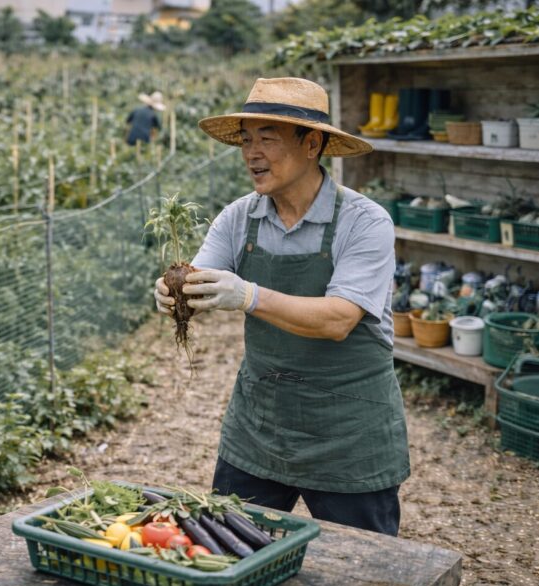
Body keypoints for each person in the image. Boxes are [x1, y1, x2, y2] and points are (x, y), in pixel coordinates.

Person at [154, 77, 410, 536]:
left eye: (267, 139)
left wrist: (249, 295)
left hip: (349, 430)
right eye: (246, 140)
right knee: (228, 544)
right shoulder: (238, 217)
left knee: (366, 565)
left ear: (312, 144)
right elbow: (201, 278)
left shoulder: (364, 221)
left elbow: (338, 319)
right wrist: (176, 293)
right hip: (260, 425)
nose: (252, 153)